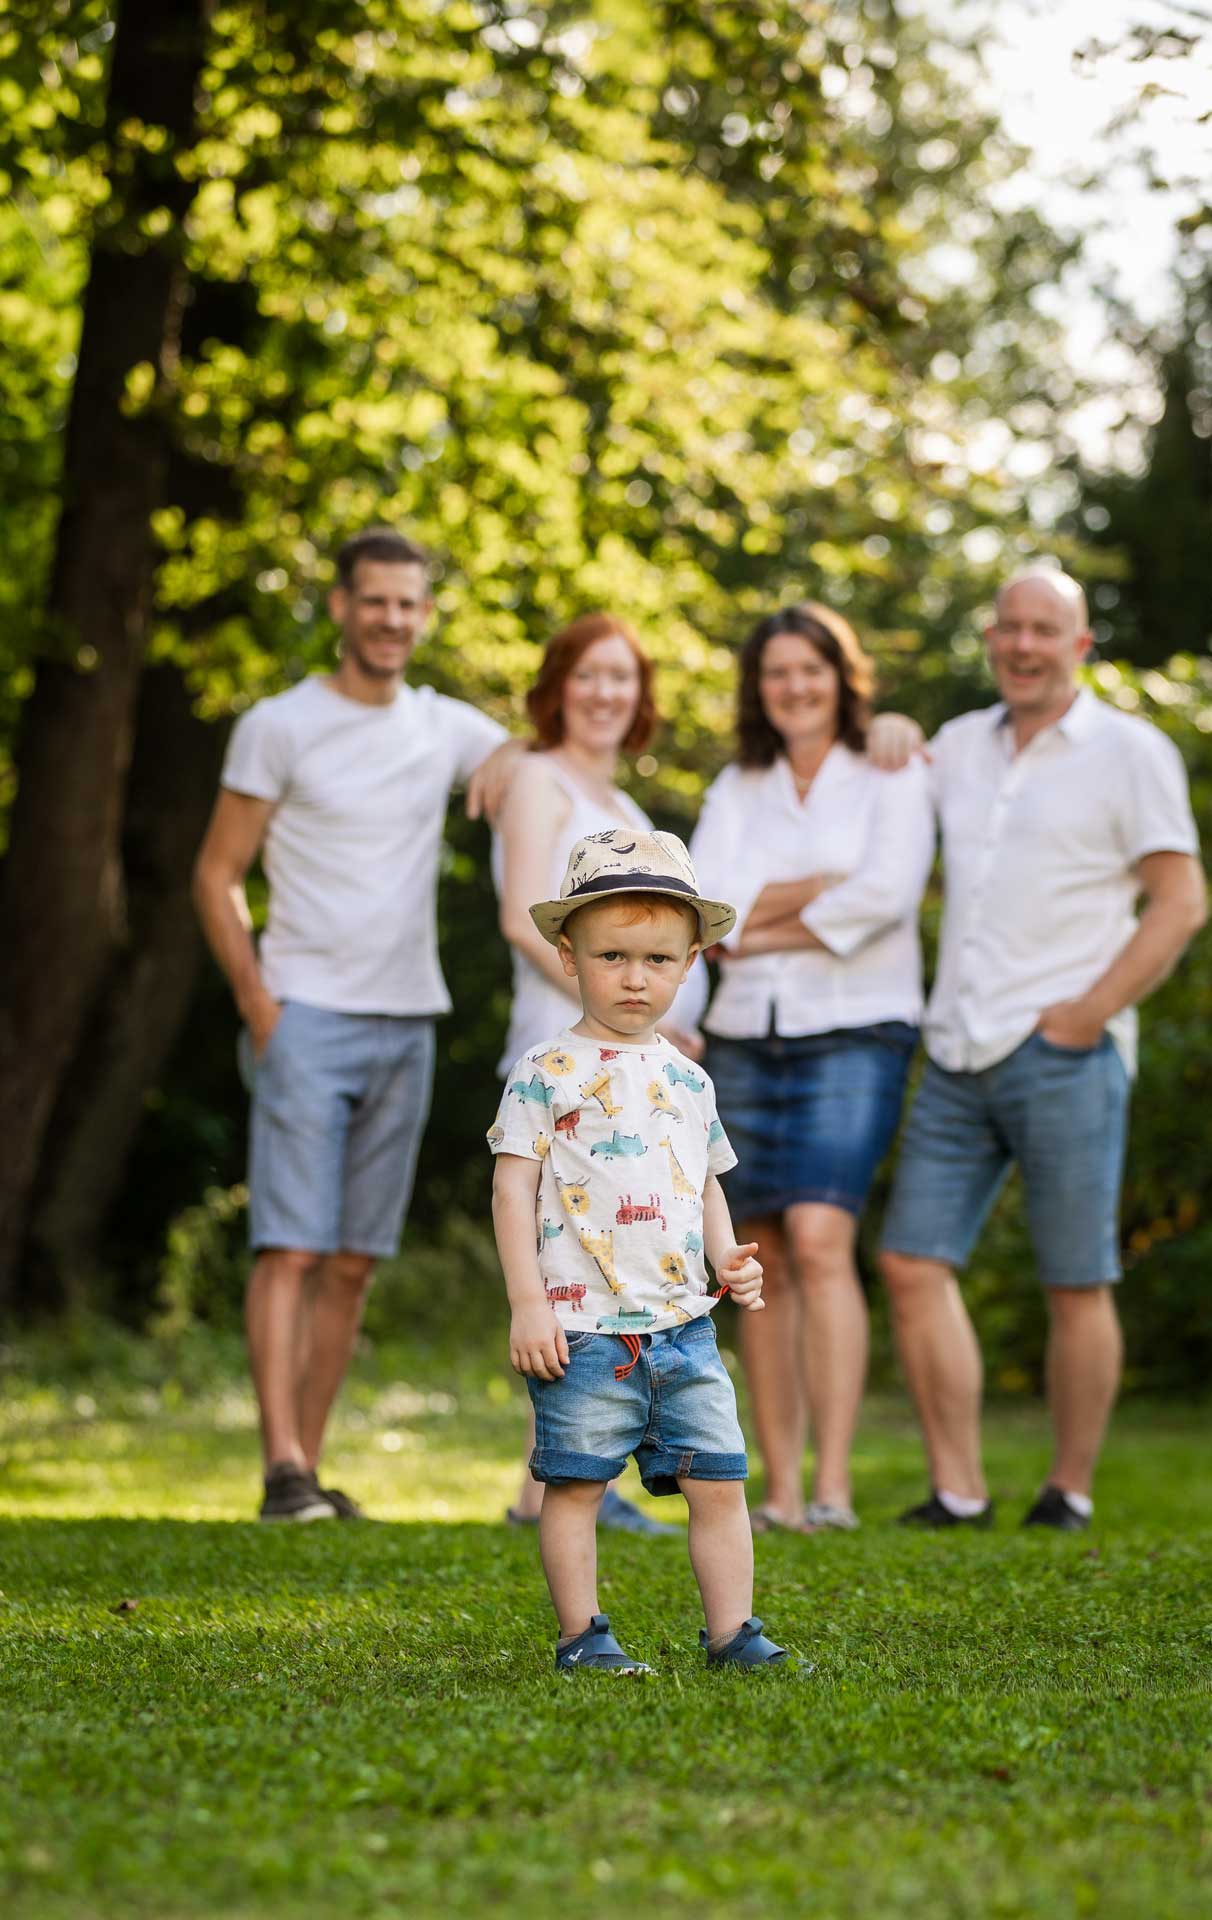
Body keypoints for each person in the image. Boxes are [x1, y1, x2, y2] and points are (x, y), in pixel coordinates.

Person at [192, 526, 518, 1521]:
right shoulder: (278, 725)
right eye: (374, 601)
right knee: (289, 1247)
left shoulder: (444, 727)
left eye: (408, 604)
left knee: (352, 1262)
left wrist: (522, 775)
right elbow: (216, 876)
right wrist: (258, 1003)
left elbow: (538, 757)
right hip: (305, 1014)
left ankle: (309, 1471)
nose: (391, 619)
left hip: (406, 1019)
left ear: (425, 615)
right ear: (340, 607)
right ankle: (279, 1462)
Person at [873, 567, 1206, 1531]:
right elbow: (884, 793)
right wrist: (889, 734)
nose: (1023, 645)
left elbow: (1180, 900)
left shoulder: (1131, 752)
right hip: (956, 1046)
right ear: (990, 639)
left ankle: (1067, 1490)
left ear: (1080, 644)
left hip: (1065, 1048)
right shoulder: (955, 747)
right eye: (1008, 628)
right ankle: (959, 1489)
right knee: (910, 1261)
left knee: (1074, 1276)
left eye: (1044, 630)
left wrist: (1089, 1011)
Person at [489, 828, 798, 1671]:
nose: (635, 977)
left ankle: (734, 1634)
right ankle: (582, 1637)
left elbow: (704, 1181)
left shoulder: (689, 1079)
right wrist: (526, 1302)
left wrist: (727, 1257)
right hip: (580, 1327)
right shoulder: (546, 1069)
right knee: (577, 1484)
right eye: (613, 955)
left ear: (690, 963)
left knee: (720, 1483)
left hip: (683, 1328)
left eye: (658, 959)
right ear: (569, 955)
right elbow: (512, 1189)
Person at [689, 604, 935, 1532]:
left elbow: (887, 894)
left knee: (826, 1241)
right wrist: (815, 889)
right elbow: (705, 912)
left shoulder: (890, 766)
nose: (795, 687)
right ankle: (779, 1490)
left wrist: (755, 921)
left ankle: (831, 1490)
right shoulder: (738, 782)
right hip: (748, 1034)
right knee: (764, 1259)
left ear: (843, 675)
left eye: (812, 669)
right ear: (759, 688)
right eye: (777, 672)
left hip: (857, 1028)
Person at [493, 612, 705, 1536]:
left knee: (613, 1255)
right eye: (588, 675)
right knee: (566, 1261)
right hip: (569, 1062)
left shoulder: (618, 807)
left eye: (623, 677)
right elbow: (517, 915)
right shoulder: (538, 780)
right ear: (557, 687)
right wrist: (610, 1035)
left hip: (637, 1071)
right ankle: (563, 1478)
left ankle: (555, 1481)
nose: (606, 693)